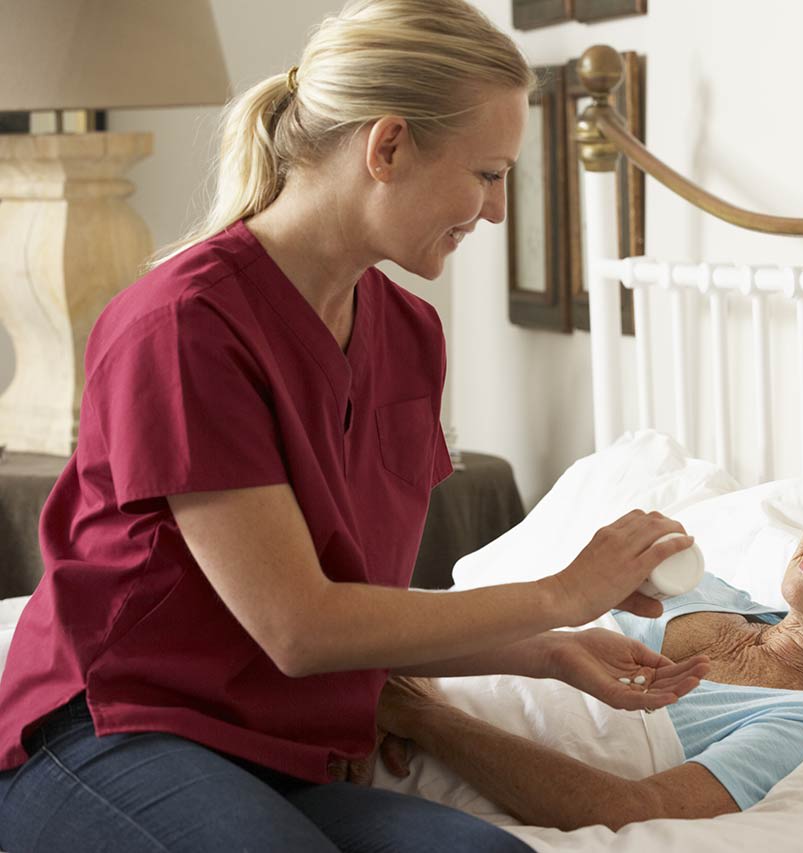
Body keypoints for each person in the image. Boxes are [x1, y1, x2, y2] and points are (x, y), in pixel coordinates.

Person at [0, 2, 708, 851]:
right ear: (388, 146)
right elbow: (298, 626)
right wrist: (559, 590)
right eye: (487, 174)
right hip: (117, 732)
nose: (495, 211)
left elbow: (356, 604)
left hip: (290, 750)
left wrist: (543, 647)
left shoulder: (409, 336)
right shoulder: (184, 324)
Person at [373, 433, 803, 830]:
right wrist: (385, 675)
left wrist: (416, 715)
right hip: (381, 675)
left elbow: (631, 809)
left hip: (402, 738)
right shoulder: (700, 585)